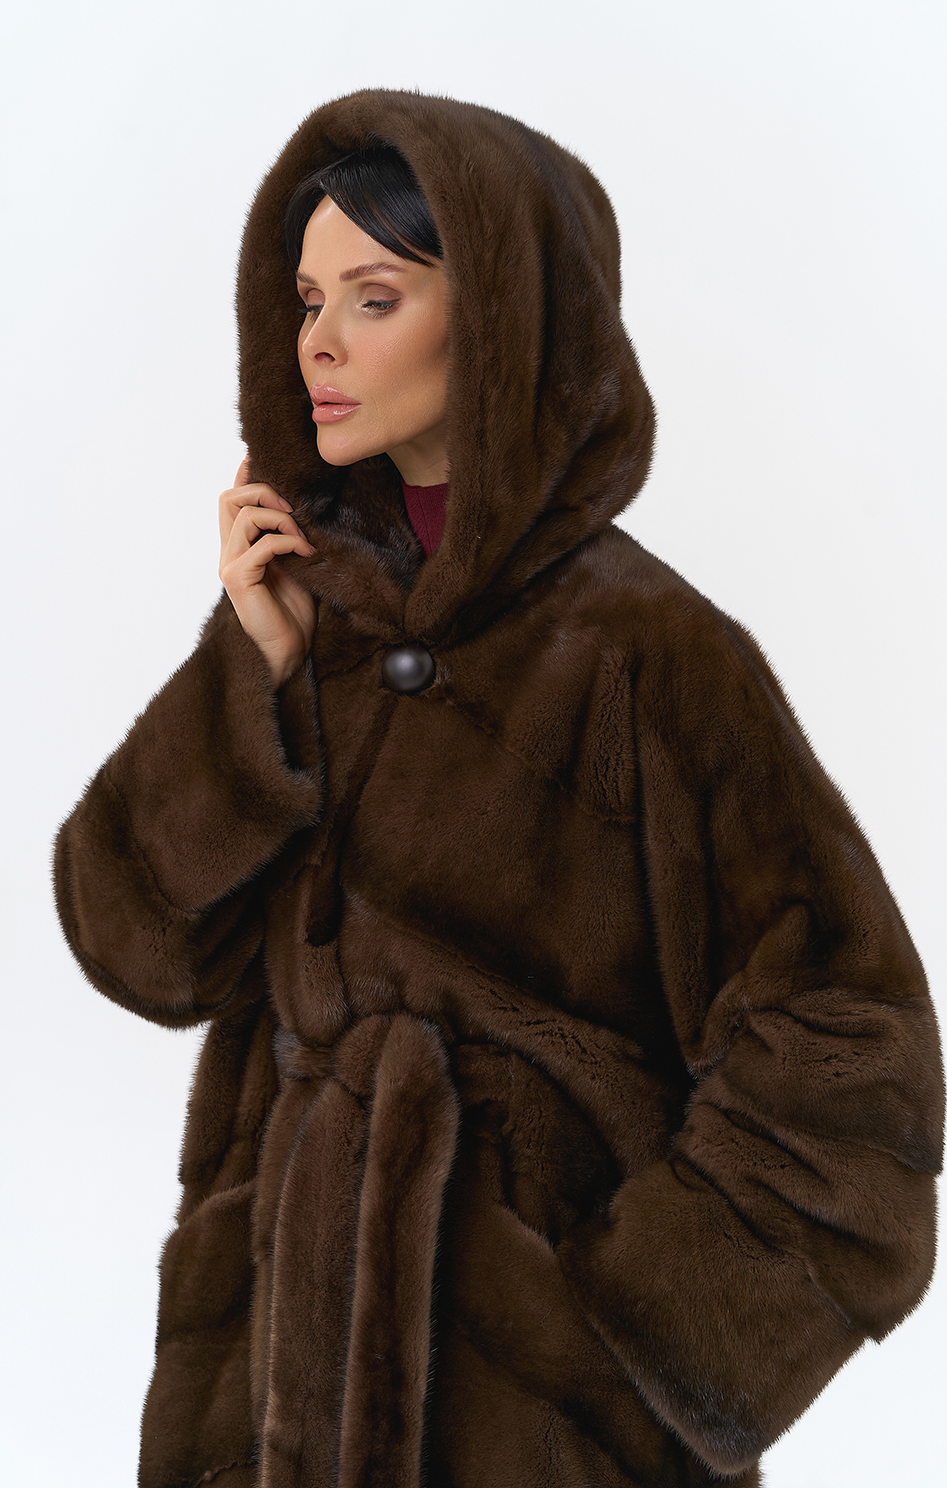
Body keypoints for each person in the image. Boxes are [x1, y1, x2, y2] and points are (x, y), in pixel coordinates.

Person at [53, 89, 944, 1488]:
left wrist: (618, 1342)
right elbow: (137, 949)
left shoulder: (653, 655)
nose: (318, 343)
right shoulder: (306, 621)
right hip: (274, 1394)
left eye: (375, 297)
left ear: (507, 322)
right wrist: (251, 671)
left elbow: (851, 1051)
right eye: (307, 301)